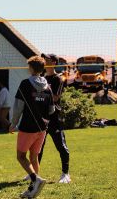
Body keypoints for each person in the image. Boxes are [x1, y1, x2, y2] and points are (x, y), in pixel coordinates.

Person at [9, 56, 55, 198]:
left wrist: (13, 124)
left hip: (28, 127)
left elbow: (18, 107)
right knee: (34, 157)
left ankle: (36, 180)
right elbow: (52, 109)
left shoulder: (25, 84)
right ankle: (32, 190)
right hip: (42, 129)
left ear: (31, 68)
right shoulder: (48, 87)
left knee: (21, 156)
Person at [37, 53, 71, 184]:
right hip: (43, 118)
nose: (45, 61)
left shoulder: (59, 79)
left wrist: (42, 94)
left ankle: (65, 174)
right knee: (38, 148)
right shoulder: (42, 78)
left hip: (55, 118)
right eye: (44, 59)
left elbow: (56, 98)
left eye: (48, 60)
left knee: (61, 146)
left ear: (54, 62)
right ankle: (34, 174)